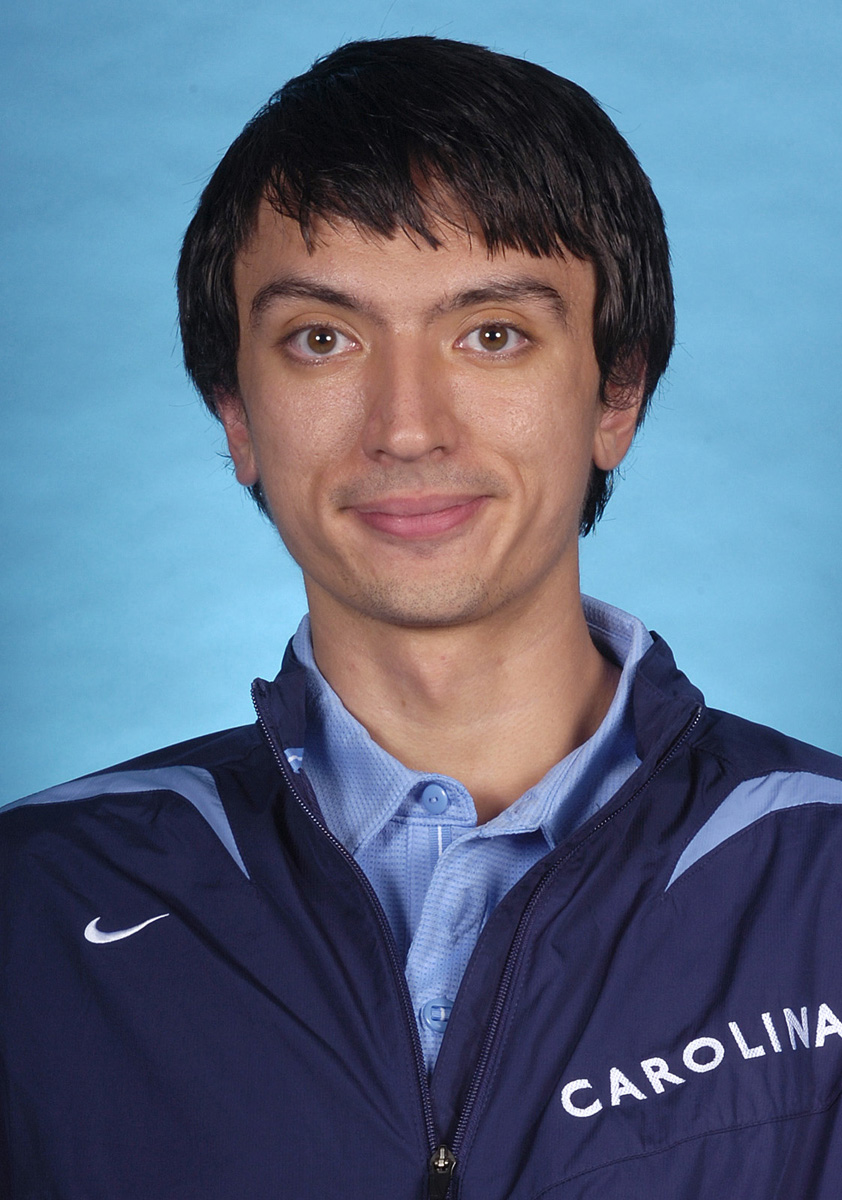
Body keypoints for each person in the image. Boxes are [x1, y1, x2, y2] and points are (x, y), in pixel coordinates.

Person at [2, 35, 841, 1200]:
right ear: (237, 416)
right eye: (323, 339)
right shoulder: (35, 906)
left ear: (615, 395)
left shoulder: (820, 871)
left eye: (491, 333)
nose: (405, 426)